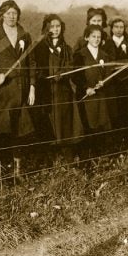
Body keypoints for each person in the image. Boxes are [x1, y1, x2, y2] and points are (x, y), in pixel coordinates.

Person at [0, 0, 36, 177]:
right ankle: (1, 169)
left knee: (21, 131)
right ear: (2, 15)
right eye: (9, 13)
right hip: (2, 92)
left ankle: (18, 171)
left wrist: (32, 87)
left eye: (15, 13)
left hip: (22, 89)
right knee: (3, 129)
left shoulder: (25, 35)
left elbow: (32, 63)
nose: (12, 17)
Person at [34, 14, 82, 160]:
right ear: (46, 28)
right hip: (47, 91)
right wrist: (42, 76)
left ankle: (66, 156)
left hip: (63, 91)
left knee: (65, 123)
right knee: (49, 123)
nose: (55, 29)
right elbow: (35, 66)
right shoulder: (40, 47)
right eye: (52, 26)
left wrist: (63, 73)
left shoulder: (66, 48)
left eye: (58, 26)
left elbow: (71, 65)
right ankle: (51, 158)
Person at [72, 25, 112, 158]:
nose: (96, 39)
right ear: (86, 37)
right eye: (93, 36)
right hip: (86, 96)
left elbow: (108, 74)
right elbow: (75, 76)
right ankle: (85, 158)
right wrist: (85, 88)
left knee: (99, 125)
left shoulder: (104, 55)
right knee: (87, 125)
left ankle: (98, 157)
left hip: (99, 95)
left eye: (99, 37)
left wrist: (104, 82)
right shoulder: (80, 54)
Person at [104, 17, 128, 150]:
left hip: (127, 84)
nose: (119, 30)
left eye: (121, 27)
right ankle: (116, 143)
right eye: (116, 27)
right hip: (113, 85)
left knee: (127, 114)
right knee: (115, 113)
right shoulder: (106, 44)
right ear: (112, 28)